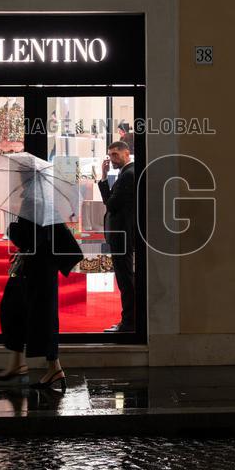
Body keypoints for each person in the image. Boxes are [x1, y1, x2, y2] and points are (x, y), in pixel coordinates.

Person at [0, 218, 83, 391]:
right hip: (38, 268)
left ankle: (53, 368)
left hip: (38, 269)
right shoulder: (40, 203)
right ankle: (20, 363)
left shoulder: (36, 204)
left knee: (41, 316)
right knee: (18, 310)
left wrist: (12, 229)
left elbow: (32, 237)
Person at [99, 141, 137, 333]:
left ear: (126, 153)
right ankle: (129, 320)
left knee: (125, 279)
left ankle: (129, 322)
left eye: (115, 155)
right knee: (125, 278)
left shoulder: (129, 174)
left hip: (123, 235)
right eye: (110, 155)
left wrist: (104, 179)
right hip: (122, 234)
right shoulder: (126, 173)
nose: (112, 159)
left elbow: (111, 204)